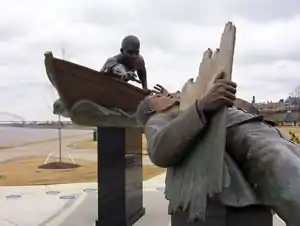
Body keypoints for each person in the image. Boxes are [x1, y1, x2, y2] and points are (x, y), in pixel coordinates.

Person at [136, 72, 300, 226]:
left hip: (265, 135)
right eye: (159, 97)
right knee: (285, 169)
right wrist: (201, 106)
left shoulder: (185, 107)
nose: (168, 95)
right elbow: (160, 151)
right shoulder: (158, 119)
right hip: (249, 144)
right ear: (151, 110)